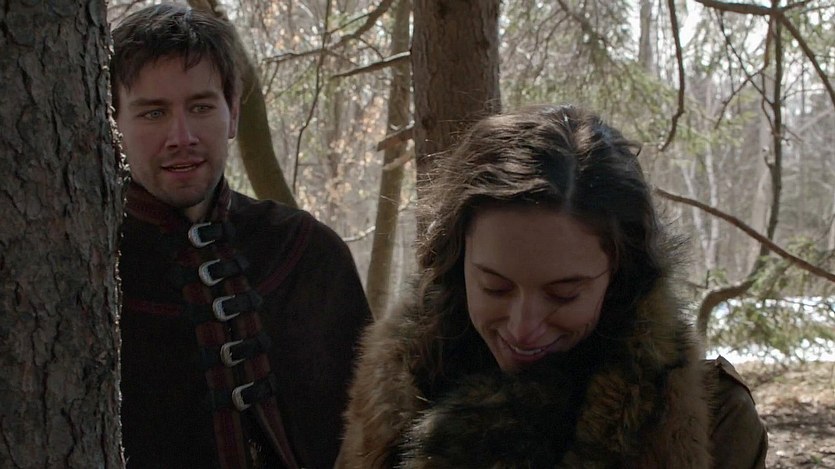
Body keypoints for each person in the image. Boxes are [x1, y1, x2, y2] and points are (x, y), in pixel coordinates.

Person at [337, 104, 768, 468]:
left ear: (620, 278)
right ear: (456, 262)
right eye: (495, 287)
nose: (523, 328)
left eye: (564, 294)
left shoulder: (713, 419)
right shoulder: (392, 391)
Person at [111, 5, 371, 468]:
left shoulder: (309, 255)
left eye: (200, 107)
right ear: (115, 126)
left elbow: (375, 434)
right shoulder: (90, 274)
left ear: (232, 114)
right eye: (153, 113)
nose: (181, 136)